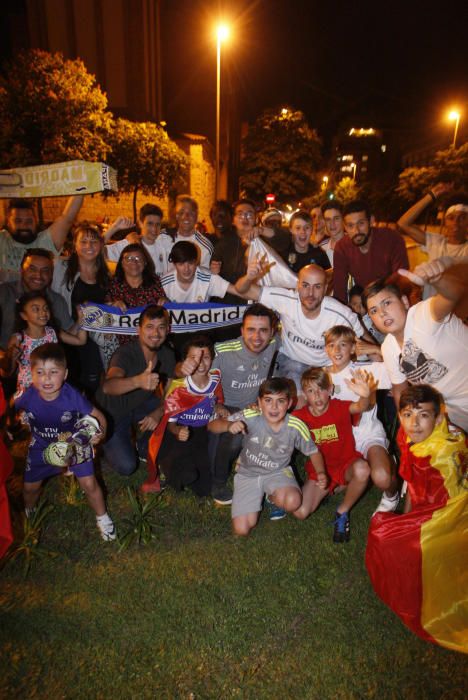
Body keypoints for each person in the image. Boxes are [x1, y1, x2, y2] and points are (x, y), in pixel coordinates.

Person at [366, 385, 468, 653]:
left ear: (438, 417)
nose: (414, 423)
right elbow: (412, 483)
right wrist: (408, 517)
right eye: (407, 414)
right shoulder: (410, 436)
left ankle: (421, 607)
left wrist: (409, 530)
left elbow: (445, 508)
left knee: (383, 535)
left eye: (423, 415)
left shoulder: (439, 455)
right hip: (430, 512)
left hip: (450, 520)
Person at [179, 303, 280, 505]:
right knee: (231, 437)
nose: (257, 337)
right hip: (222, 406)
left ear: (272, 332)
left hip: (254, 407)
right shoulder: (223, 352)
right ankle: (219, 481)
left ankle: (266, 481)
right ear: (241, 330)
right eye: (250, 330)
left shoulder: (274, 344)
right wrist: (182, 368)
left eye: (263, 330)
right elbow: (193, 369)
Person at [15, 343, 115, 541]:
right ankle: (30, 513)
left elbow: (99, 416)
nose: (46, 378)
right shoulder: (27, 397)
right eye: (40, 372)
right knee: (29, 488)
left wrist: (100, 434)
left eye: (54, 372)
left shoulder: (72, 397)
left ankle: (103, 517)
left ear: (65, 374)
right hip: (42, 444)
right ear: (31, 374)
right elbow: (9, 408)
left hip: (74, 441)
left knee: (89, 483)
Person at [363, 257, 468, 430]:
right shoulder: (388, 347)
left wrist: (436, 279)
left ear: (404, 302)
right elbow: (400, 389)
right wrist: (406, 421)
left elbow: (454, 293)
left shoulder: (423, 314)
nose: (382, 313)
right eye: (374, 311)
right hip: (450, 414)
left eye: (387, 303)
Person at [208, 377, 322, 536]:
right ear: (259, 402)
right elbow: (212, 426)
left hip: (277, 472)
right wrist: (228, 425)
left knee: (293, 501)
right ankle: (256, 495)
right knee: (242, 529)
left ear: (289, 404)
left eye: (280, 401)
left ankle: (272, 497)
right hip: (247, 474)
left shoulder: (295, 426)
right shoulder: (250, 415)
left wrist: (321, 473)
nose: (274, 407)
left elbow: (313, 451)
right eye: (268, 400)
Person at [246, 263, 370, 396]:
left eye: (317, 287)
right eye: (305, 285)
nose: (311, 293)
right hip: (292, 360)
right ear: (298, 285)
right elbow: (242, 290)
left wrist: (378, 351)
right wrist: (246, 278)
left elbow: (363, 338)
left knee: (329, 400)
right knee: (297, 402)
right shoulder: (286, 300)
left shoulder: (340, 313)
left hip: (327, 366)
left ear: (325, 289)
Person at [293, 367, 374, 542]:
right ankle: (335, 488)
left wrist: (365, 394)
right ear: (304, 395)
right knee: (300, 512)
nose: (317, 396)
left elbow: (361, 406)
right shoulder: (300, 417)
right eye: (311, 391)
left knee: (362, 469)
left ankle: (342, 510)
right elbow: (278, 422)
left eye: (322, 389)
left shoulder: (339, 407)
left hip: (346, 464)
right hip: (320, 470)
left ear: (330, 390)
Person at [324, 325, 399, 514]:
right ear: (326, 349)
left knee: (382, 477)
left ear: (352, 348)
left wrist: (377, 349)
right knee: (326, 484)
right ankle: (345, 479)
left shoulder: (365, 370)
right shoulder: (322, 375)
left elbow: (398, 369)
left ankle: (392, 495)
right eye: (332, 345)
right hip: (337, 439)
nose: (337, 350)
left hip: (366, 433)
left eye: (343, 345)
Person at [96, 305, 176, 479]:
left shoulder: (167, 355)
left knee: (174, 409)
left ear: (168, 330)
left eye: (161, 327)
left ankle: (143, 444)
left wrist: (158, 411)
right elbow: (108, 386)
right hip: (111, 414)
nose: (156, 333)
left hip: (138, 405)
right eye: (149, 327)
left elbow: (169, 393)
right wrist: (138, 381)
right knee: (127, 466)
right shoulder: (125, 353)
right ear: (138, 330)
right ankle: (100, 441)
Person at [156, 335, 226, 496]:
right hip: (180, 433)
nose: (200, 363)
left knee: (204, 489)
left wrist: (219, 407)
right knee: (186, 474)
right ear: (186, 360)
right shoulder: (179, 388)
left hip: (201, 433)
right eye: (194, 358)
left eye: (206, 357)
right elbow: (170, 423)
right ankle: (166, 465)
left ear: (212, 359)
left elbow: (216, 400)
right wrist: (177, 431)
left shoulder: (215, 380)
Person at [52, 221, 111, 391]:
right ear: (75, 246)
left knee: (94, 384)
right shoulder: (60, 268)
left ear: (101, 245)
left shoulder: (106, 273)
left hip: (96, 339)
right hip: (68, 336)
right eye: (83, 242)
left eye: (93, 241)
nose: (89, 246)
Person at [8, 291, 86, 396]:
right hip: (30, 391)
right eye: (36, 309)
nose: (43, 312)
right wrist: (12, 358)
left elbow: (80, 341)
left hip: (52, 387)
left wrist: (83, 319)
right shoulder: (18, 339)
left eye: (46, 308)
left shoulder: (52, 332)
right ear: (23, 315)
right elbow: (9, 371)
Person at [397, 185, 468, 299]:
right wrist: (430, 196)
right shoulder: (436, 241)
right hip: (430, 311)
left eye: (462, 217)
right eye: (451, 218)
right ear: (445, 221)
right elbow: (403, 223)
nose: (456, 222)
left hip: (459, 313)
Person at [333, 200, 409, 303]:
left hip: (397, 297)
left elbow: (402, 277)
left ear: (371, 221)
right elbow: (339, 288)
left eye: (361, 223)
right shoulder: (341, 248)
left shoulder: (392, 239)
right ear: (345, 227)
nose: (356, 231)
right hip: (367, 301)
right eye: (350, 226)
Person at [0, 248, 74, 349]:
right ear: (21, 270)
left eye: (45, 271)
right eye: (32, 269)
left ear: (51, 275)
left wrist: (83, 318)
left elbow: (70, 333)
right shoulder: (4, 293)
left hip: (46, 361)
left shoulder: (56, 300)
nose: (38, 275)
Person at [0, 196, 83, 282]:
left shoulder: (45, 240)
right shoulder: (2, 240)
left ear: (36, 221)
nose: (24, 225)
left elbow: (67, 218)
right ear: (8, 223)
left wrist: (80, 184)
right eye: (18, 221)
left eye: (29, 221)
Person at [105, 243, 166, 345]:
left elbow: (166, 315)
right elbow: (101, 315)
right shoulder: (112, 285)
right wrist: (111, 307)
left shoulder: (155, 282)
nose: (133, 262)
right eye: (128, 258)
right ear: (121, 263)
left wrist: (166, 304)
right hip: (121, 346)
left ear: (145, 263)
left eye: (138, 258)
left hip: (152, 342)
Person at [104, 204, 167, 275]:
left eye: (158, 224)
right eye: (150, 224)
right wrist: (114, 228)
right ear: (140, 223)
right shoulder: (128, 245)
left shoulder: (164, 242)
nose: (154, 229)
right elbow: (98, 252)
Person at [155, 195, 213, 271]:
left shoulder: (205, 247)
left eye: (191, 213)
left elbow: (205, 277)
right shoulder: (162, 237)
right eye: (181, 212)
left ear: (196, 216)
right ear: (177, 215)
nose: (186, 216)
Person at [319, 200, 346, 265]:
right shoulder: (321, 249)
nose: (332, 224)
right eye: (328, 219)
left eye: (336, 218)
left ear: (343, 219)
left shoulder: (356, 243)